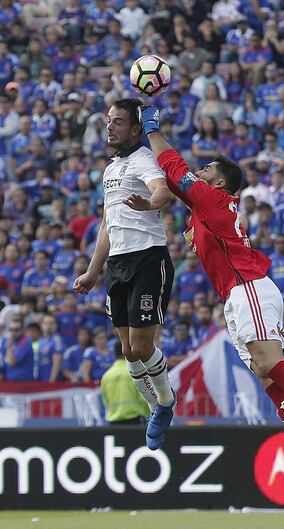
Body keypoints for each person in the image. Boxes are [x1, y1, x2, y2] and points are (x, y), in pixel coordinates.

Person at [133, 104, 284, 488]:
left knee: (269, 363)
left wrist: (152, 129)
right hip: (236, 296)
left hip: (248, 287)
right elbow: (176, 182)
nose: (200, 173)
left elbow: (177, 171)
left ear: (219, 185)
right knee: (265, 374)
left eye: (208, 171)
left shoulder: (214, 202)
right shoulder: (206, 207)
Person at [73, 98, 175, 451]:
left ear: (135, 128)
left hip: (148, 258)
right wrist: (91, 271)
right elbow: (106, 224)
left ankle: (166, 402)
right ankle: (155, 406)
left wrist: (149, 203)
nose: (110, 126)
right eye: (109, 120)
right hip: (117, 262)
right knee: (128, 350)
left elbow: (163, 191)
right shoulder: (110, 170)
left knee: (143, 345)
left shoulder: (144, 159)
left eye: (118, 121)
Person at [101, 342, 150, 424]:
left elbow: (105, 401)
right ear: (128, 352)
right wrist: (147, 415)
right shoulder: (135, 372)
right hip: (135, 420)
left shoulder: (106, 376)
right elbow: (144, 397)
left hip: (113, 422)